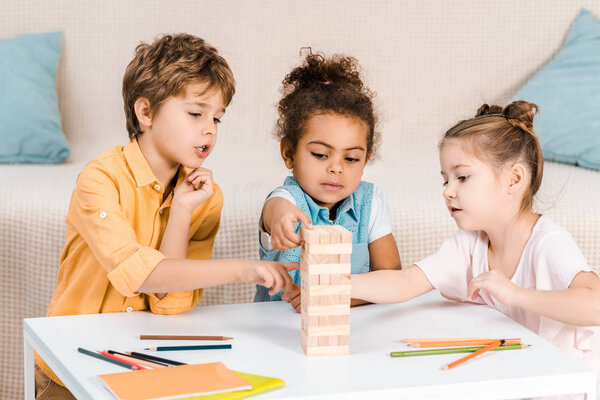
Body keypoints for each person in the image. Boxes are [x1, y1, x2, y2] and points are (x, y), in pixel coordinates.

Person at [34, 33, 295, 399]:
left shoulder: (205, 197)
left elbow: (168, 302)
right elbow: (141, 275)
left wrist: (182, 210)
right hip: (69, 369)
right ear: (146, 112)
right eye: (195, 113)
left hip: (136, 368)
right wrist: (244, 269)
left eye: (217, 118)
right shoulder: (100, 179)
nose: (209, 129)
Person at [352, 101, 600, 374]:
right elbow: (406, 282)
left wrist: (516, 294)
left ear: (514, 179)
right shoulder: (469, 245)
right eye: (446, 180)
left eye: (463, 177)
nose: (448, 191)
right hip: (511, 381)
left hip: (560, 387)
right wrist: (335, 283)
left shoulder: (547, 243)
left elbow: (595, 304)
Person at [255, 51, 402, 311]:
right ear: (289, 153)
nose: (336, 168)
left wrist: (337, 297)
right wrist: (280, 219)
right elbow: (276, 211)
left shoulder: (371, 202)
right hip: (278, 328)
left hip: (349, 326)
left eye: (352, 159)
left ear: (366, 160)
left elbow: (391, 277)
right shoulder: (287, 200)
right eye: (321, 155)